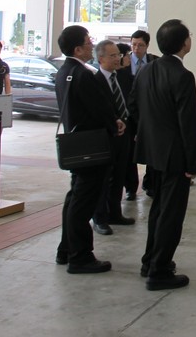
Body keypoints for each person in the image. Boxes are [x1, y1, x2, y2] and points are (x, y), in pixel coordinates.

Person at [128, 19, 196, 291]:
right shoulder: (183, 76)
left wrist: (150, 133)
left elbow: (133, 106)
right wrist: (193, 162)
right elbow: (188, 123)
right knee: (171, 213)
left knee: (158, 209)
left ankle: (150, 261)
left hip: (152, 152)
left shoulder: (146, 71)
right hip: (175, 156)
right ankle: (158, 271)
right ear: (185, 43)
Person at [54, 25, 124, 274]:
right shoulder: (82, 74)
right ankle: (80, 256)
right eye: (87, 41)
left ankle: (65, 249)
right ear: (77, 48)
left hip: (76, 146)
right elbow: (99, 108)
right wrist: (113, 122)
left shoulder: (65, 72)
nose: (90, 43)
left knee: (74, 198)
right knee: (82, 204)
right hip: (91, 148)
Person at [91, 40, 135, 236]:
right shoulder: (95, 81)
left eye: (118, 54)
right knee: (103, 179)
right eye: (113, 56)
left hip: (124, 135)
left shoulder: (122, 77)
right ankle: (100, 218)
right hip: (106, 136)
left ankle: (115, 213)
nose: (118, 58)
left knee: (119, 175)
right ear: (100, 59)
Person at [123, 29, 158, 199]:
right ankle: (130, 187)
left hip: (149, 115)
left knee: (151, 150)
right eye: (134, 44)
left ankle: (150, 183)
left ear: (147, 46)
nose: (136, 48)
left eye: (141, 45)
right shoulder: (123, 62)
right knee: (130, 153)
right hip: (129, 115)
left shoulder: (154, 62)